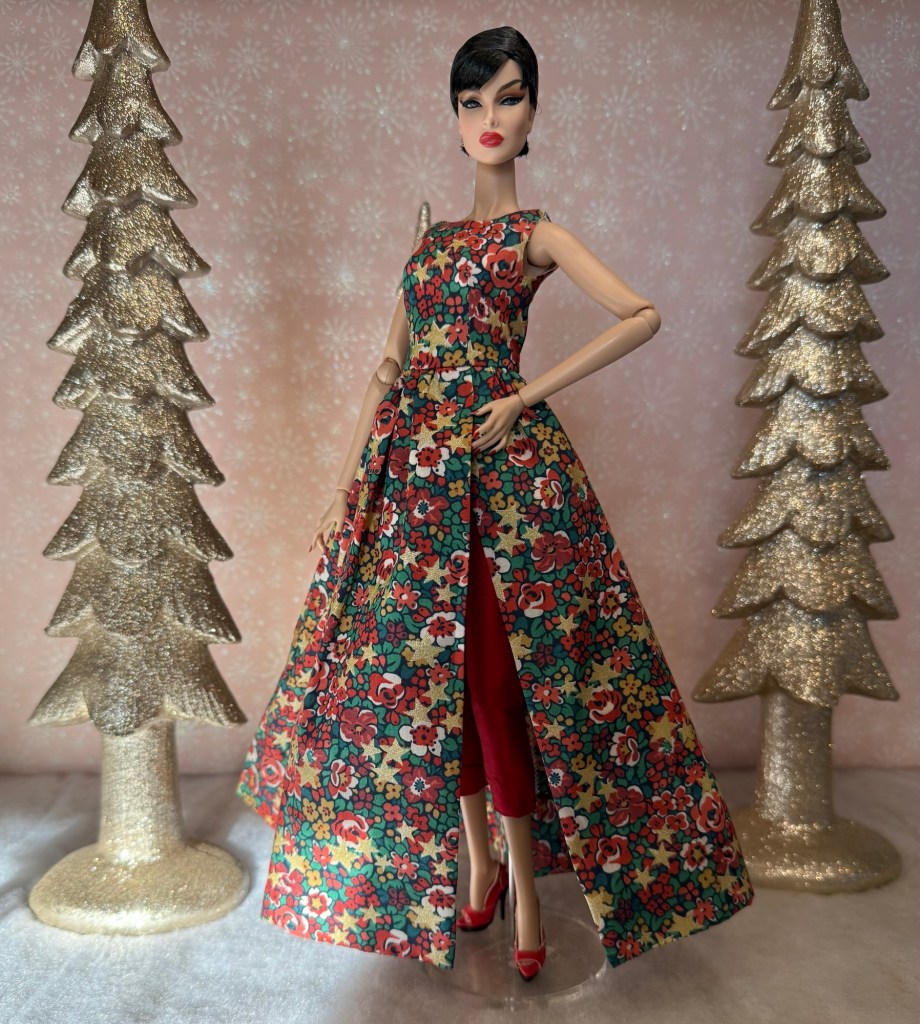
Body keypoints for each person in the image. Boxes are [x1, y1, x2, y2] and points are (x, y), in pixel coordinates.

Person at [237, 25, 753, 980]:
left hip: (506, 489)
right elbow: (387, 369)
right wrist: (347, 488)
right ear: (454, 115)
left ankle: (525, 889)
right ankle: (477, 862)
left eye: (508, 97)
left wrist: (524, 395)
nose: (488, 118)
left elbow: (641, 314)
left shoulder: (535, 237)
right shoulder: (431, 242)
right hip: (411, 493)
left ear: (533, 112)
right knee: (435, 687)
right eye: (472, 102)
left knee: (497, 686)